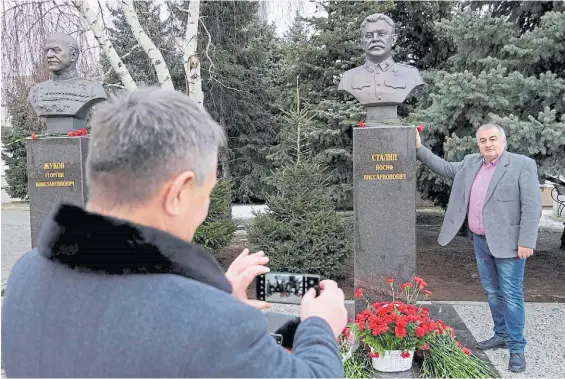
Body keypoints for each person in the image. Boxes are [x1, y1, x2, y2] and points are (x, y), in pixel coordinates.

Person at [1, 87, 348, 378]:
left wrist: (212, 295)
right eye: (207, 192)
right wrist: (320, 326)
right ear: (178, 192)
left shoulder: (26, 275)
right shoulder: (215, 326)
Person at [416, 124, 542, 373]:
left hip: (510, 244)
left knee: (511, 295)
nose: (488, 144)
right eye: (483, 141)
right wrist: (419, 149)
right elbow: (444, 168)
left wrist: (527, 240)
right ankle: (501, 334)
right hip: (481, 241)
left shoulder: (521, 165)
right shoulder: (471, 163)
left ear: (503, 141)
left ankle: (517, 348)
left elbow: (532, 206)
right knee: (492, 292)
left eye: (493, 139)